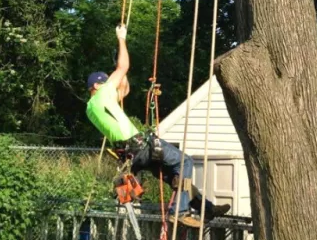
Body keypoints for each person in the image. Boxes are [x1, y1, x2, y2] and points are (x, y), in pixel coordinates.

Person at [86, 24, 230, 228]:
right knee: (185, 163)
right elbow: (122, 67)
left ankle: (206, 208)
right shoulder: (102, 94)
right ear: (98, 85)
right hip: (142, 147)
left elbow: (124, 90)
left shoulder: (92, 108)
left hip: (133, 155)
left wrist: (121, 75)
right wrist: (122, 39)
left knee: (175, 177)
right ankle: (179, 211)